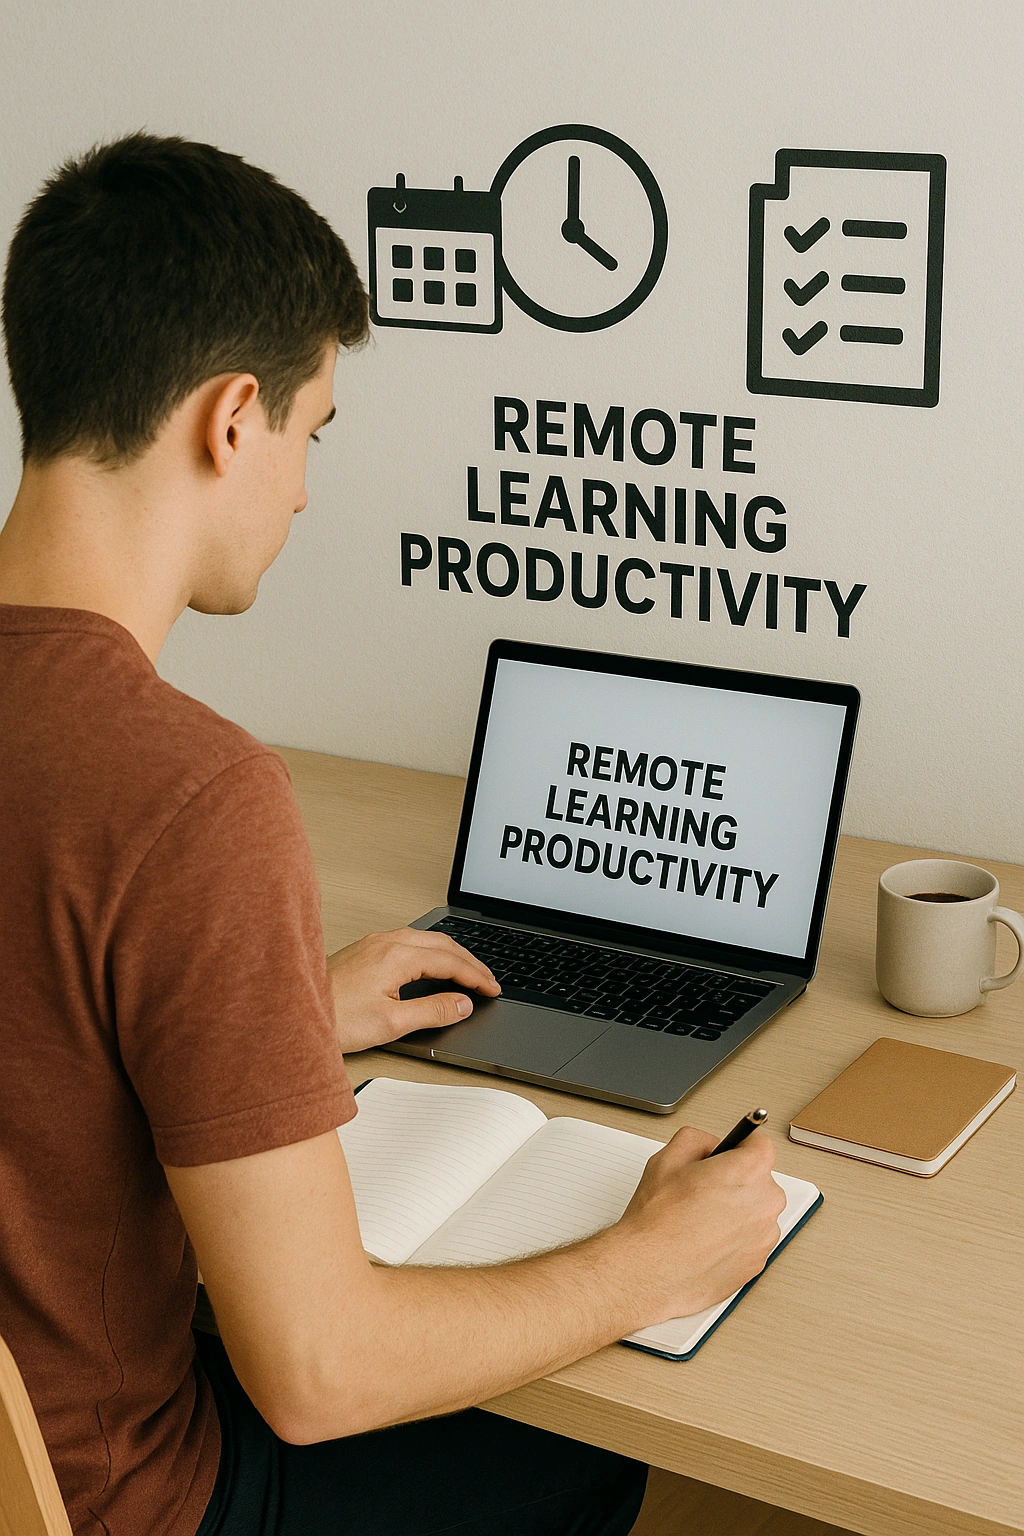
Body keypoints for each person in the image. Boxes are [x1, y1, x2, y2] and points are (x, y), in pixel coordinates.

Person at [0, 133, 786, 1536]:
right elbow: (317, 1374)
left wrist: (277, 1013)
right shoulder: (189, 794)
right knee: (590, 1454)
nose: (303, 487)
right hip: (126, 1503)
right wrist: (648, 1260)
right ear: (231, 419)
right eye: (313, 433)